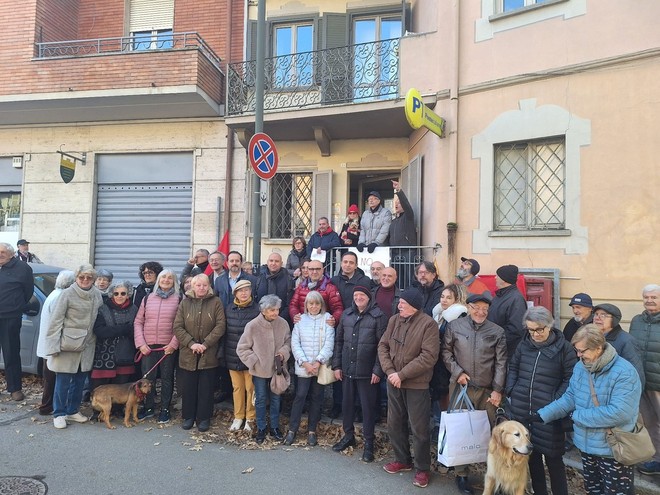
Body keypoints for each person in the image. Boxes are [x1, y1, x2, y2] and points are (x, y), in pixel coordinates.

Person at [537, 325, 642, 495]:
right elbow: (570, 397)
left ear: (598, 348)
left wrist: (576, 416)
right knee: (593, 491)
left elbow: (620, 412)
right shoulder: (581, 367)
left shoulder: (624, 373)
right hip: (586, 447)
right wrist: (543, 414)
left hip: (612, 450)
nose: (578, 355)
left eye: (582, 351)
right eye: (576, 350)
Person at [506, 306, 577, 495]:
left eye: (539, 329)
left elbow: (570, 379)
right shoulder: (524, 344)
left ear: (549, 326)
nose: (535, 334)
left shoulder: (564, 348)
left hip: (549, 413)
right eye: (531, 330)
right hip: (523, 411)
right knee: (532, 457)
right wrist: (512, 390)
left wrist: (555, 401)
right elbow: (513, 368)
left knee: (554, 460)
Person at [442, 293, 507, 494]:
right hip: (460, 387)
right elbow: (445, 352)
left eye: (485, 309)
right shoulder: (455, 327)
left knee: (489, 432)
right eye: (476, 308)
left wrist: (497, 389)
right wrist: (457, 372)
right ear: (468, 307)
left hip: (487, 390)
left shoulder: (497, 331)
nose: (480, 312)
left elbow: (501, 362)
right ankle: (461, 475)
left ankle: (493, 475)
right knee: (461, 430)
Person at [378, 288, 439, 489]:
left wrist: (401, 375)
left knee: (419, 427)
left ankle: (422, 469)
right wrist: (389, 371)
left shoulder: (428, 324)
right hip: (393, 380)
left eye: (403, 303)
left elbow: (428, 356)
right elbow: (383, 346)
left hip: (416, 384)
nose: (399, 305)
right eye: (400, 302)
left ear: (414, 305)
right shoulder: (394, 320)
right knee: (395, 423)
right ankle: (402, 460)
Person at [44, 264, 103, 429]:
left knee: (79, 381)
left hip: (88, 345)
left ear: (93, 279)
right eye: (81, 277)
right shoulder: (67, 294)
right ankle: (59, 413)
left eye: (89, 277)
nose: (85, 280)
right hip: (67, 345)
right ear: (76, 278)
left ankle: (72, 410)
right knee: (62, 381)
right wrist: (53, 345)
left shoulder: (97, 295)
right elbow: (55, 321)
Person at [332, 286, 387, 462]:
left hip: (367, 372)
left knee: (367, 409)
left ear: (368, 298)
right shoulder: (347, 315)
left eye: (361, 295)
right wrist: (337, 365)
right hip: (347, 369)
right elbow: (339, 341)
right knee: (347, 406)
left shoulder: (378, 316)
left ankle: (369, 443)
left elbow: (383, 346)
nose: (358, 298)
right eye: (355, 295)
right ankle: (349, 437)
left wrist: (378, 370)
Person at [173, 273, 226, 432]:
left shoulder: (216, 302)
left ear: (209, 286)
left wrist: (205, 344)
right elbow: (177, 327)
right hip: (188, 352)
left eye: (204, 285)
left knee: (206, 388)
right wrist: (191, 344)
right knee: (188, 388)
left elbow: (220, 325)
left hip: (208, 352)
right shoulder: (185, 303)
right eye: (198, 285)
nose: (201, 288)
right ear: (192, 286)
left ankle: (204, 418)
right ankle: (188, 417)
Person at [237, 294, 291, 444]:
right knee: (260, 399)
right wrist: (254, 361)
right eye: (272, 310)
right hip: (259, 370)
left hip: (277, 368)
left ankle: (274, 427)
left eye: (277, 309)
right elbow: (242, 348)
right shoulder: (253, 325)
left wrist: (283, 353)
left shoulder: (283, 323)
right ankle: (261, 427)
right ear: (263, 310)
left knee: (276, 398)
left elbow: (289, 341)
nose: (275, 313)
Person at [285, 291, 334, 447]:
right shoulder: (300, 320)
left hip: (319, 365)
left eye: (317, 303)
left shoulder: (327, 319)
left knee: (316, 397)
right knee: (300, 396)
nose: (314, 306)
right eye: (310, 303)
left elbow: (329, 343)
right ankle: (293, 429)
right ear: (306, 305)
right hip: (304, 367)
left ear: (321, 305)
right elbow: (295, 343)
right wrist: (304, 363)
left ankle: (312, 430)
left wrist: (318, 362)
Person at [134, 269, 181, 424]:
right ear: (158, 280)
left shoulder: (179, 299)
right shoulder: (148, 299)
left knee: (167, 378)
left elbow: (182, 324)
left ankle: (165, 409)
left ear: (174, 281)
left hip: (167, 347)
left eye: (169, 278)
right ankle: (148, 407)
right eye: (163, 277)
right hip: (148, 347)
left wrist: (173, 345)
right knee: (148, 378)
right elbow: (138, 322)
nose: (166, 280)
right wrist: (141, 344)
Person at [90, 281, 139, 418]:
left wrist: (116, 330)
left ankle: (116, 410)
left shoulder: (134, 309)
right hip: (105, 354)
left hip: (126, 353)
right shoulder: (103, 309)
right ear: (111, 294)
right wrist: (123, 329)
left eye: (123, 293)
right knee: (101, 384)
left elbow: (135, 330)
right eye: (116, 293)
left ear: (128, 294)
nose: (119, 296)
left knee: (121, 385)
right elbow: (99, 331)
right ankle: (98, 411)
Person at [222, 279, 260, 432]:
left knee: (251, 388)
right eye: (240, 290)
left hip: (251, 355)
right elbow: (224, 332)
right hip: (232, 353)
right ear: (235, 293)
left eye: (247, 290)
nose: (244, 293)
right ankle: (238, 416)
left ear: (251, 292)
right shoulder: (229, 308)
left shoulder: (257, 309)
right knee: (237, 387)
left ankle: (250, 418)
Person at [630, 284, 660, 476]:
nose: (649, 300)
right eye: (646, 297)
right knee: (649, 422)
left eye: (654, 297)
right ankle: (657, 460)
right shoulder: (636, 321)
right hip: (642, 381)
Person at [36, 270, 75, 415]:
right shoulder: (60, 297)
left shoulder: (54, 294)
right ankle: (48, 407)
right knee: (53, 379)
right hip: (53, 345)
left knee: (50, 378)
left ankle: (47, 406)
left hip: (48, 344)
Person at [0, 242, 34, 401]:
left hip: (10, 317)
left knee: (11, 353)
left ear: (11, 253)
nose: (0, 254)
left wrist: (16, 306)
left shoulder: (22, 268)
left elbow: (28, 292)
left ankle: (14, 389)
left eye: (2, 252)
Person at [430, 284, 468, 422]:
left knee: (446, 399)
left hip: (449, 365)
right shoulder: (439, 314)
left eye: (448, 298)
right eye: (442, 296)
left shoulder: (458, 316)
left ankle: (443, 428)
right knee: (438, 397)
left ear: (456, 300)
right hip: (437, 363)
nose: (444, 300)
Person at [592, 303, 645, 387]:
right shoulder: (591, 338)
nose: (597, 318)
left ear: (614, 320)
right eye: (596, 314)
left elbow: (636, 373)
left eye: (603, 315)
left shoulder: (627, 341)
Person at [488, 264, 527, 358]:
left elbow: (516, 330)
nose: (495, 277)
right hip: (495, 348)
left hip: (506, 353)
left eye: (497, 275)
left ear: (504, 279)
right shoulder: (499, 295)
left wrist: (494, 341)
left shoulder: (516, 299)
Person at [254, 252, 294, 323]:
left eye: (277, 261)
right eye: (271, 261)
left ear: (281, 264)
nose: (273, 263)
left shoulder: (288, 280)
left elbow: (289, 303)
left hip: (281, 320)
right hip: (261, 320)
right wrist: (261, 317)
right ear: (267, 262)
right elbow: (255, 300)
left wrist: (278, 319)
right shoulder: (259, 278)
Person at [389, 181, 416, 247]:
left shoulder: (408, 216)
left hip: (407, 251)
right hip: (394, 252)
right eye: (395, 203)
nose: (396, 205)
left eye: (399, 203)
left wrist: (398, 190)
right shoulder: (393, 221)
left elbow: (406, 204)